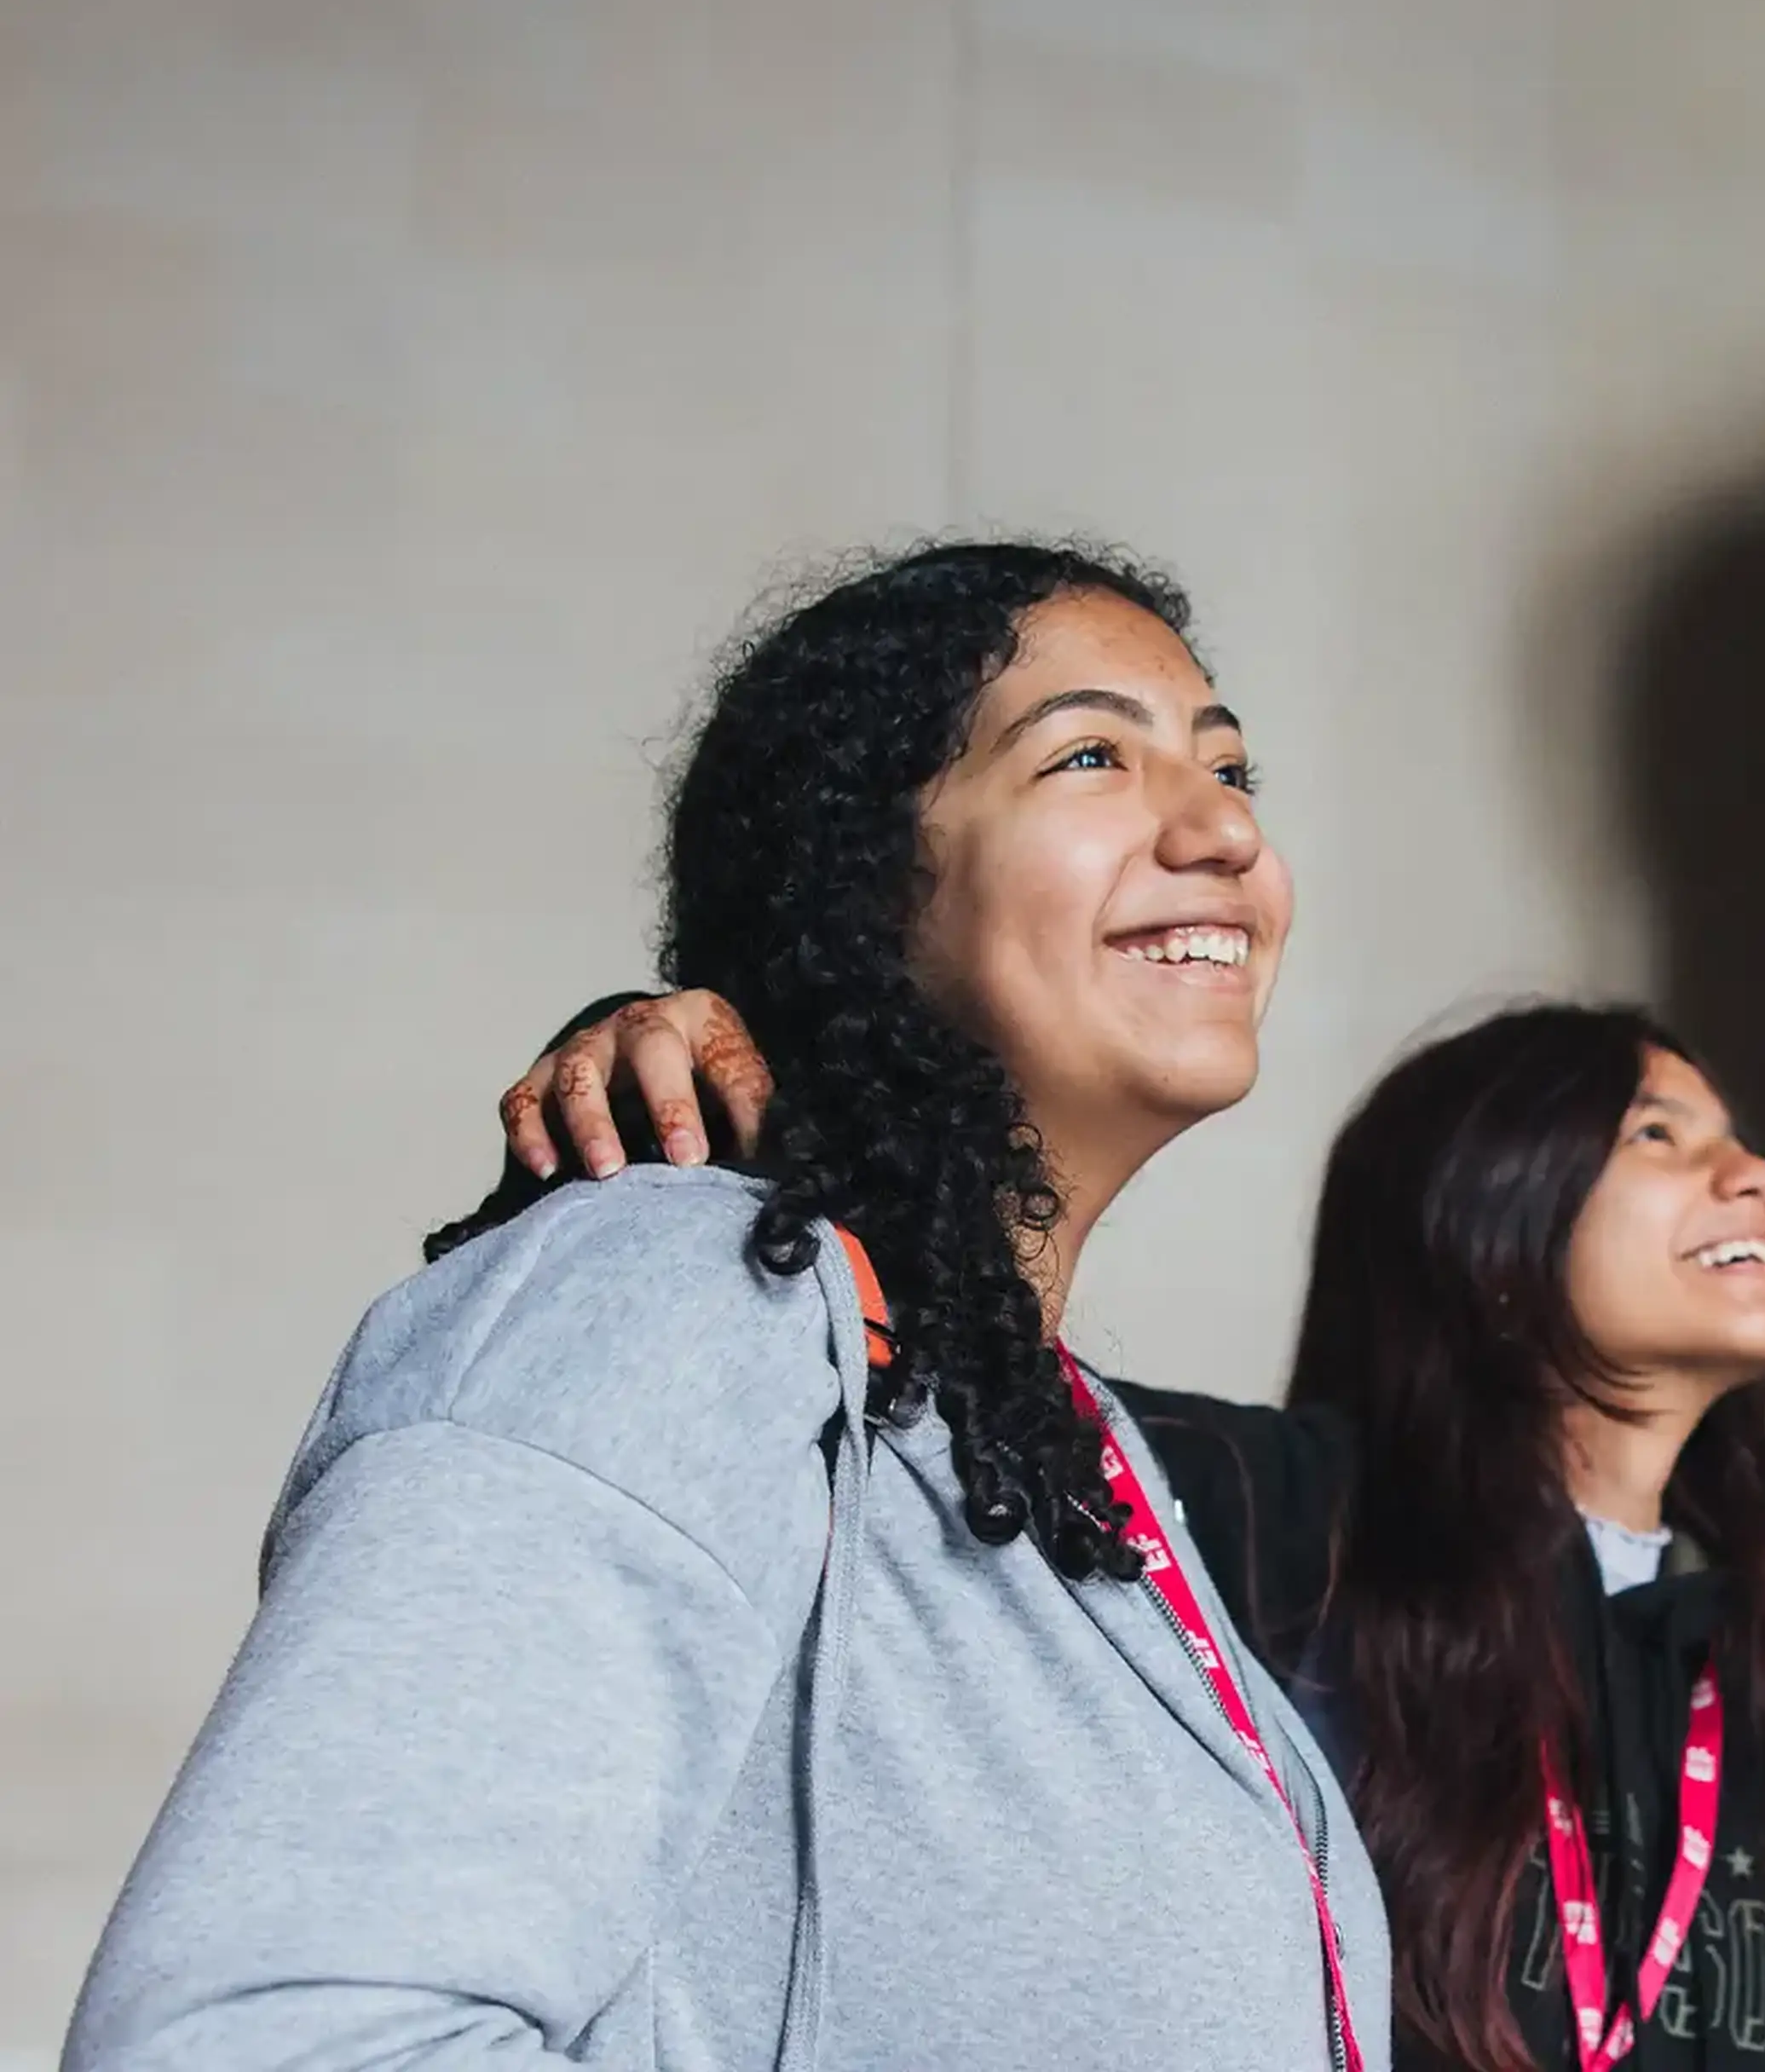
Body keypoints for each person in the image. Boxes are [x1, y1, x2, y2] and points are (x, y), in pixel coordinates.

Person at [63, 542, 1387, 2071]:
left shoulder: (1063, 1448)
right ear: (862, 877)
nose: (1224, 828)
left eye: (1236, 771)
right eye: (1092, 754)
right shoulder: (678, 1298)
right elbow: (258, 2045)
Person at [486, 996, 1765, 2070]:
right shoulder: (1278, 1516)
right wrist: (675, 1089)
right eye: (1660, 1133)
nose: (1756, 1176)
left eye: (1740, 1144)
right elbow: (916, 1374)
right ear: (1486, 1217)